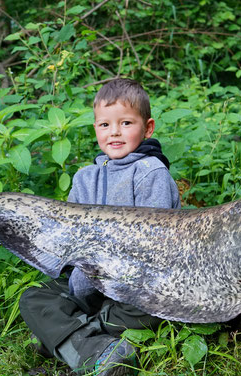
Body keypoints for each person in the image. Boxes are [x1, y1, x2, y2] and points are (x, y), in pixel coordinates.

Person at [19, 78, 181, 376]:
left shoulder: (151, 173)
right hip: (89, 286)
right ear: (95, 128)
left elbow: (155, 245)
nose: (114, 132)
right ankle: (90, 346)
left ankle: (69, 340)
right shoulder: (85, 178)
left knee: (151, 309)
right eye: (104, 125)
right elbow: (66, 238)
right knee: (34, 298)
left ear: (148, 128)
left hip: (136, 287)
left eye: (126, 123)